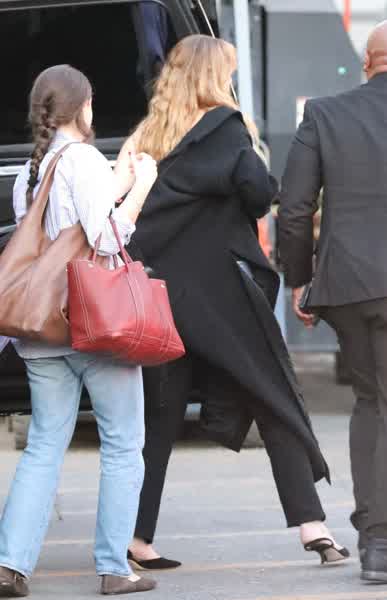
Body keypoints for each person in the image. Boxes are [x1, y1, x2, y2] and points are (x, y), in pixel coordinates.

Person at [114, 34, 349, 572]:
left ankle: (136, 537)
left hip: (158, 297)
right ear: (215, 78)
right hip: (222, 297)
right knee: (274, 397)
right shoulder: (225, 127)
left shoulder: (148, 135)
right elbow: (257, 193)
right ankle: (313, 526)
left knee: (159, 418)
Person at [0, 64, 158, 597]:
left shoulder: (31, 171)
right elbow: (105, 238)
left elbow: (62, 231)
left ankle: (10, 565)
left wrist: (118, 182)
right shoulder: (84, 159)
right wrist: (141, 189)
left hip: (41, 329)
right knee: (123, 444)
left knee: (44, 446)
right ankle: (114, 568)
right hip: (95, 326)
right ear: (83, 106)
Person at [279, 18, 387, 585]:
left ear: (366, 63)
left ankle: (375, 533)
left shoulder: (325, 114)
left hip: (348, 284)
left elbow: (295, 208)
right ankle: (385, 543)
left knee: (371, 401)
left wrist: (300, 280)